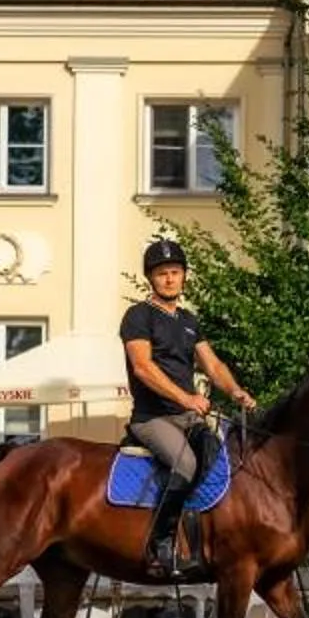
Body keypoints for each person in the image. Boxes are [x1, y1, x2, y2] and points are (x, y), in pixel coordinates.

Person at [121, 237, 254, 579]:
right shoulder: (138, 316)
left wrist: (236, 390)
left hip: (187, 416)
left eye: (175, 272)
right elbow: (142, 367)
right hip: (153, 418)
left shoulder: (189, 320)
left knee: (219, 459)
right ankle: (160, 545)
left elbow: (212, 365)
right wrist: (187, 399)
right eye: (162, 273)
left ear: (184, 277)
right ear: (151, 278)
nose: (169, 279)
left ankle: (204, 543)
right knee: (186, 462)